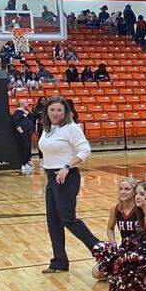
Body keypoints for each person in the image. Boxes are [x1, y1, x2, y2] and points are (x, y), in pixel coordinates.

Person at [37, 96, 100, 273]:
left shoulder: (71, 128)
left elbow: (85, 150)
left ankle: (101, 250)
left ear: (65, 112)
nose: (55, 114)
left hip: (67, 176)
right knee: (53, 221)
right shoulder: (48, 128)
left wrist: (67, 167)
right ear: (46, 112)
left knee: (68, 219)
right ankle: (59, 262)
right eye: (52, 110)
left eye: (59, 110)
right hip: (52, 177)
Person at [12, 98, 35, 175]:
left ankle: (28, 161)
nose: (28, 103)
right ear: (21, 103)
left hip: (28, 133)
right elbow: (16, 122)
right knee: (25, 146)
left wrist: (25, 111)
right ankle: (23, 163)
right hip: (22, 133)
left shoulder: (26, 111)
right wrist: (21, 131)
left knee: (28, 147)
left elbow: (32, 118)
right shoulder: (17, 112)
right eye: (26, 102)